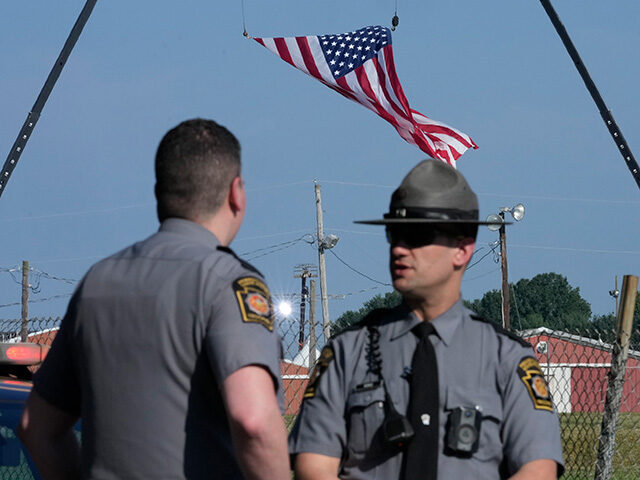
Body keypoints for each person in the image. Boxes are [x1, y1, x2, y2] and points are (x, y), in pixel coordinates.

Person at [18, 119, 290, 480]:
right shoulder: (228, 282)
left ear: (160, 193)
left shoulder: (97, 283)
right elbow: (253, 420)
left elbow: (36, 427)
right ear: (235, 193)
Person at [289, 159, 565, 480]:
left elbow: (538, 468)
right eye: (395, 233)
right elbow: (313, 465)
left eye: (417, 235)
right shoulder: (346, 353)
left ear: (462, 249)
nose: (399, 250)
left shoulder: (506, 359)